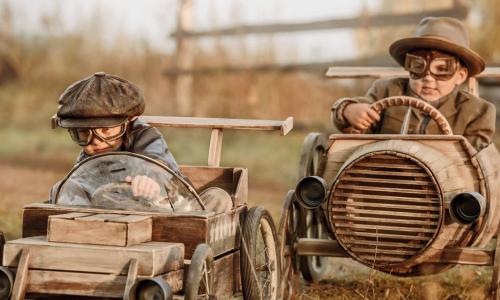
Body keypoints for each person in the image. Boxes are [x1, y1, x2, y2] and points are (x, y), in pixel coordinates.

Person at [331, 17, 496, 151]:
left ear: (460, 76)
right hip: (383, 176)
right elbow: (362, 109)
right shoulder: (386, 90)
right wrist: (347, 110)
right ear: (407, 67)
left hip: (444, 186)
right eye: (418, 66)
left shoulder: (477, 112)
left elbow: (476, 164)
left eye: (442, 69)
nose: (428, 78)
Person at [50, 72, 181, 203]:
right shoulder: (86, 157)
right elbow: (82, 181)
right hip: (110, 210)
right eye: (84, 132)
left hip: (163, 204)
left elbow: (157, 163)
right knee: (64, 188)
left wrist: (150, 180)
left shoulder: (145, 136)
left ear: (128, 121)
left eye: (106, 130)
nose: (96, 141)